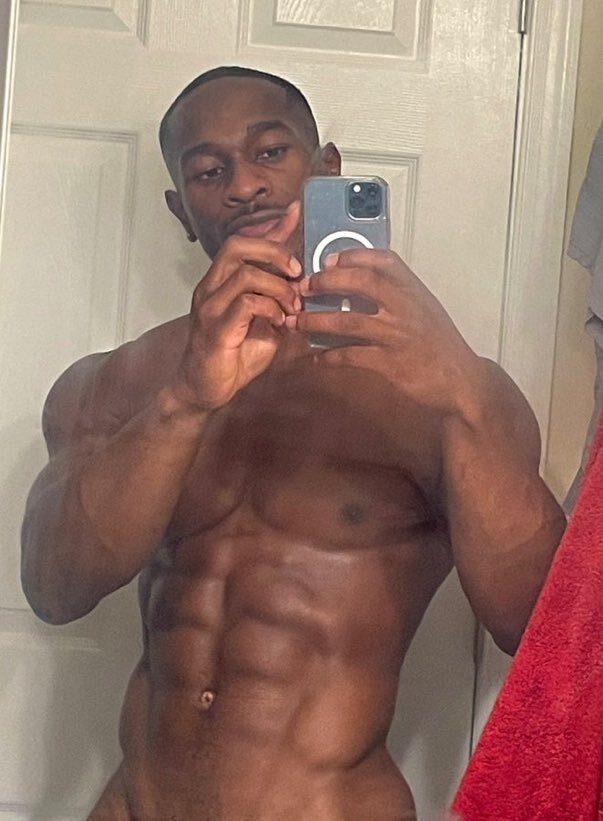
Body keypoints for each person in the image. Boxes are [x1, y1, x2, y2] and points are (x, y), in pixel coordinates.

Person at [21, 66, 566, 820]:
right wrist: (184, 402)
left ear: (326, 170)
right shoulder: (121, 383)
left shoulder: (442, 386)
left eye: (270, 152)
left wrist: (464, 400)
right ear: (182, 211)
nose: (244, 185)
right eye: (209, 171)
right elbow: (55, 589)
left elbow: (536, 631)